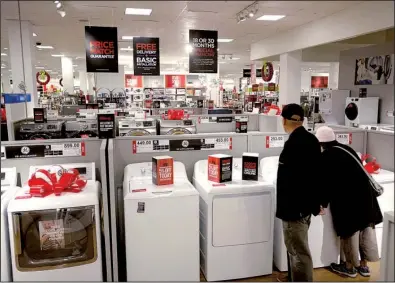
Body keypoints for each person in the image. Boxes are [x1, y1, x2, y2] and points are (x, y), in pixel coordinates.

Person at [315, 126, 382, 278]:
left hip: (347, 201)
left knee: (349, 233)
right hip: (366, 197)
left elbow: (326, 184)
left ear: (320, 143)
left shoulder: (326, 156)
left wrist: (322, 204)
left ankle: (350, 267)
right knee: (366, 230)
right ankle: (364, 267)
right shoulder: (348, 149)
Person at [276, 103, 323, 282]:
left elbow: (293, 180)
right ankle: (293, 277)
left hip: (294, 209)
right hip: (305, 206)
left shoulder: (293, 144)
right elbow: (316, 174)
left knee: (298, 251)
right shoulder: (311, 140)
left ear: (285, 120)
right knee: (297, 248)